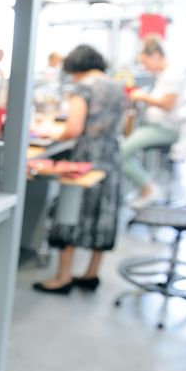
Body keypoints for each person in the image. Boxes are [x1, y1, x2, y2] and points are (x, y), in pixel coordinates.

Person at [33, 45, 124, 294]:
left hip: (88, 155)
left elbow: (73, 129)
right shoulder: (117, 85)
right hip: (112, 155)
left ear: (75, 68)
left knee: (70, 210)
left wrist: (51, 132)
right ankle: (91, 274)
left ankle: (63, 277)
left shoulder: (83, 87)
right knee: (104, 213)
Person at [122, 36, 186, 208]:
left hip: (165, 129)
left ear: (156, 55)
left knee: (119, 152)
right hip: (157, 126)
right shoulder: (165, 74)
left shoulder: (173, 74)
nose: (145, 67)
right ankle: (146, 187)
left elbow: (168, 104)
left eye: (145, 62)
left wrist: (143, 96)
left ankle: (148, 188)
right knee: (123, 149)